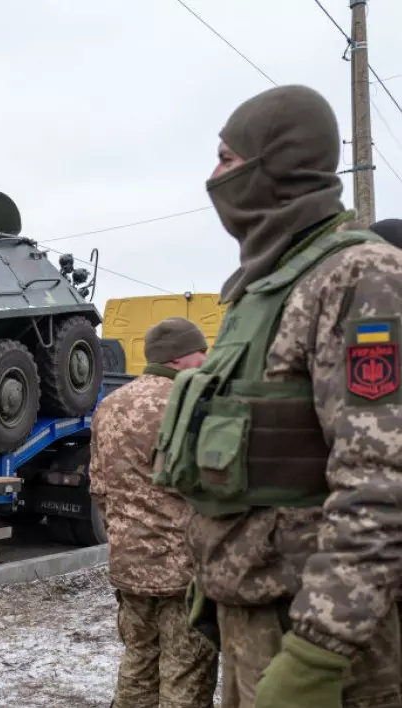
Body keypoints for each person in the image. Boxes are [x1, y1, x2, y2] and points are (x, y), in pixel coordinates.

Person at [150, 84, 402, 708]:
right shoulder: (263, 289)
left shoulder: (359, 275)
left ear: (279, 164)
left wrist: (319, 649)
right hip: (253, 624)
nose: (214, 177)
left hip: (321, 643)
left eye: (228, 159)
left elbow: (381, 481)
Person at [90, 317, 218, 708]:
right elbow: (214, 487)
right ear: (179, 358)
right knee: (185, 676)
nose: (207, 358)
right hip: (185, 572)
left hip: (129, 565)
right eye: (202, 351)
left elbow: (98, 488)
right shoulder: (191, 404)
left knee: (138, 666)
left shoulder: (110, 406)